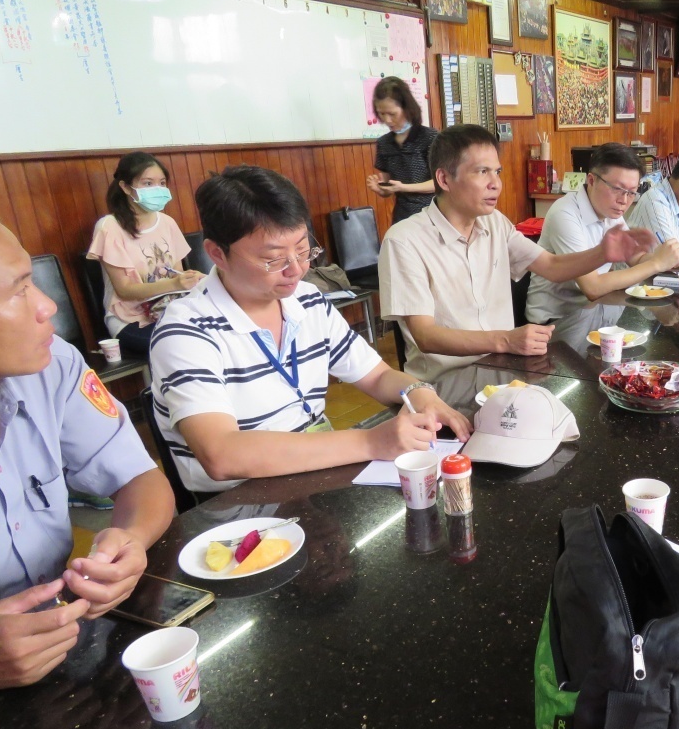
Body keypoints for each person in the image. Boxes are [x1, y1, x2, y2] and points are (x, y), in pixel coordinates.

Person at [150, 165, 471, 494]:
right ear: (218, 253)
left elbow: (376, 376)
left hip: (315, 475)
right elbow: (222, 455)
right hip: (238, 500)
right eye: (273, 259)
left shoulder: (307, 301)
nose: (297, 270)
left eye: (303, 250)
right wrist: (372, 442)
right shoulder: (186, 330)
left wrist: (421, 393)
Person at [0, 222, 175, 688]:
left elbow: (139, 478)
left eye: (31, 280)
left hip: (64, 651)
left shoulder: (50, 363)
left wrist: (129, 540)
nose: (47, 306)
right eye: (16, 293)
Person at [377, 125, 659, 380]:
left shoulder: (495, 222)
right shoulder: (404, 240)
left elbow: (550, 265)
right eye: (481, 172)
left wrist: (602, 253)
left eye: (497, 172)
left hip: (504, 370)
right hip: (444, 384)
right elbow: (425, 336)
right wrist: (506, 341)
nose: (495, 183)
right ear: (444, 179)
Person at [525, 143, 679, 341]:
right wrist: (656, 263)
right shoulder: (565, 213)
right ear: (591, 180)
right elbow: (592, 287)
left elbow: (635, 258)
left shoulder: (610, 210)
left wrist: (663, 257)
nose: (624, 201)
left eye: (632, 192)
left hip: (597, 308)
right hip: (555, 323)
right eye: (618, 189)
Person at [86, 151, 205, 357]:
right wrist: (175, 284)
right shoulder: (109, 227)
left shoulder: (167, 222)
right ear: (125, 187)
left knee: (216, 332)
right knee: (184, 345)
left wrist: (190, 280)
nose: (157, 189)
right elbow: (124, 291)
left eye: (161, 183)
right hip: (129, 320)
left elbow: (176, 275)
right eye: (148, 184)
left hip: (169, 311)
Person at [365, 77, 438, 226]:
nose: (387, 120)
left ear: (407, 108)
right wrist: (380, 189)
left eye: (392, 114)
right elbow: (389, 188)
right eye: (381, 114)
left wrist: (404, 187)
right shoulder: (384, 143)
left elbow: (440, 183)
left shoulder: (430, 137)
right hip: (402, 217)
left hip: (433, 216)